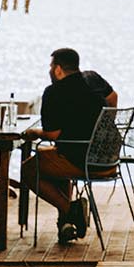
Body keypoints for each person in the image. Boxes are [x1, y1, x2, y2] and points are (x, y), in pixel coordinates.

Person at [20, 47, 116, 246]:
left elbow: (52, 135)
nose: (50, 70)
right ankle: (64, 224)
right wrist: (103, 126)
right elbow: (113, 97)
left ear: (58, 69)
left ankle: (71, 210)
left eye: (51, 66)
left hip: (80, 159)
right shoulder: (93, 79)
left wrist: (34, 133)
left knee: (29, 169)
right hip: (108, 156)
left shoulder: (53, 92)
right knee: (55, 158)